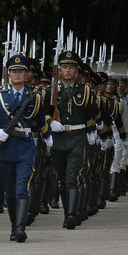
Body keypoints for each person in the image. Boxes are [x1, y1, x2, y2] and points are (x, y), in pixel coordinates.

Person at [0, 54, 52, 242]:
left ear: (27, 74)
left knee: (22, 189)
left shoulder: (34, 97)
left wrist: (48, 136)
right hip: (6, 148)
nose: (17, 74)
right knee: (10, 192)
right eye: (14, 71)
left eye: (21, 71)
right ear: (8, 74)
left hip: (26, 147)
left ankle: (20, 228)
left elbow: (41, 118)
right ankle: (13, 226)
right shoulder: (0, 97)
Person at [42, 51, 100, 228]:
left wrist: (91, 132)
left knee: (71, 178)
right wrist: (50, 122)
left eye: (71, 67)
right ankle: (68, 213)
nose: (67, 71)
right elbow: (42, 114)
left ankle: (71, 215)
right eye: (64, 67)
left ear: (77, 71)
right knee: (61, 179)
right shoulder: (51, 92)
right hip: (58, 139)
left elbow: (90, 113)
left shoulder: (85, 91)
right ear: (59, 70)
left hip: (77, 138)